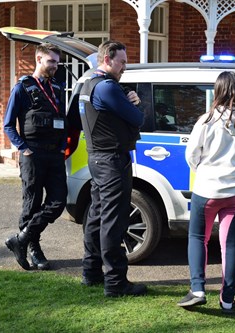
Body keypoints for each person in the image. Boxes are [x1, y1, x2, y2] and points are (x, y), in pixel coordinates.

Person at [178, 71, 235, 314]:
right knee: (230, 244)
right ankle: (227, 299)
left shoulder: (206, 120)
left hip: (206, 190)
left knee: (198, 238)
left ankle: (197, 290)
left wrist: (204, 170)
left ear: (217, 91)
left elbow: (191, 155)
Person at [78, 40, 147, 297]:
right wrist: (136, 102)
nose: (124, 67)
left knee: (96, 217)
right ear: (107, 59)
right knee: (113, 221)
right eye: (122, 62)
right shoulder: (107, 87)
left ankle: (91, 272)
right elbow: (138, 118)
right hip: (111, 161)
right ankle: (116, 282)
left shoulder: (88, 84)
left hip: (97, 159)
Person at [3, 43, 67, 271]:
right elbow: (8, 125)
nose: (55, 66)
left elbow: (63, 121)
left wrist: (61, 147)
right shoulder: (22, 88)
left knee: (59, 201)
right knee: (32, 203)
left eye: (57, 62)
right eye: (51, 61)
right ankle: (33, 249)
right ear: (39, 60)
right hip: (33, 153)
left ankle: (20, 240)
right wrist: (24, 148)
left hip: (54, 154)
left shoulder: (57, 88)